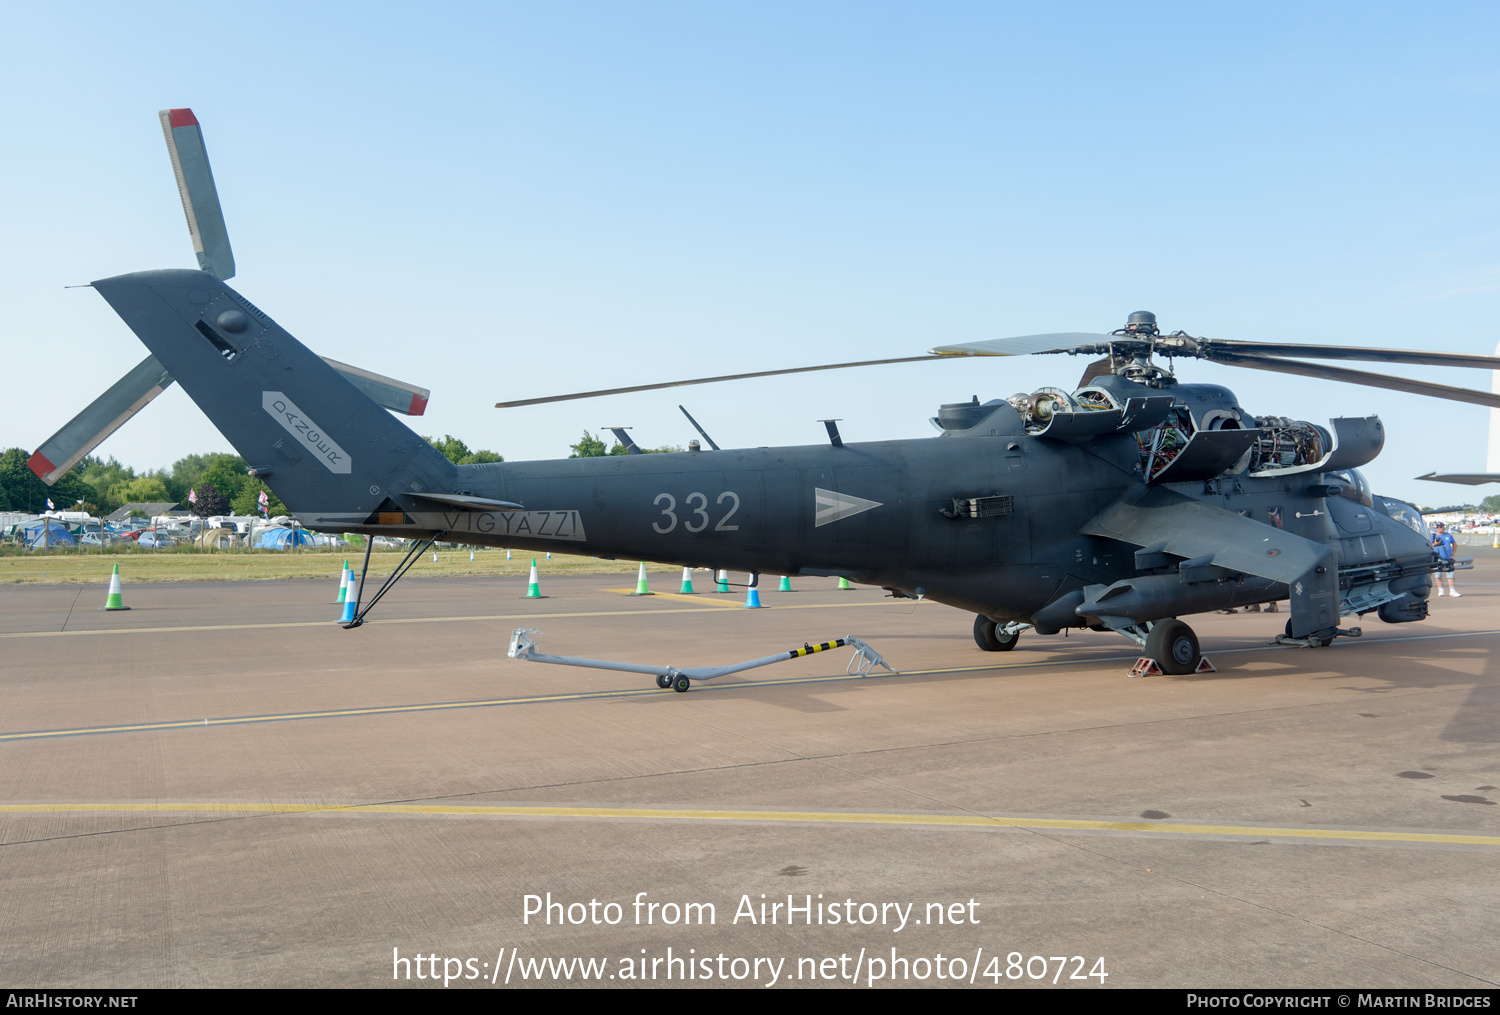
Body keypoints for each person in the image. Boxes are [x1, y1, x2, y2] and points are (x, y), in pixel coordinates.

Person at [1432, 521, 1460, 597]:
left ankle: (1452, 590)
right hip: (1438, 558)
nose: (1439, 528)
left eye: (1440, 527)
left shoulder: (1448, 535)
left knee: (1450, 574)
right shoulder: (1433, 536)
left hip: (1447, 558)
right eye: (1437, 527)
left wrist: (1453, 554)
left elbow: (1454, 544)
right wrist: (1435, 544)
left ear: (1443, 527)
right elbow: (1430, 546)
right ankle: (1440, 590)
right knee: (1438, 575)